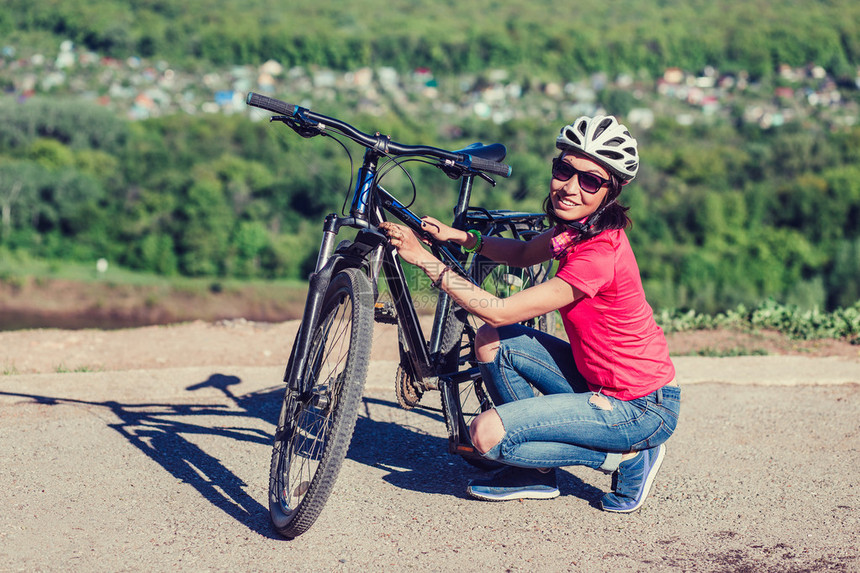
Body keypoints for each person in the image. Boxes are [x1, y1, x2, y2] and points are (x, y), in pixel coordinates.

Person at [379, 115, 680, 513]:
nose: (570, 187)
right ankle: (533, 473)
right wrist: (462, 238)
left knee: (484, 436)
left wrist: (424, 260)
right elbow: (522, 254)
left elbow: (501, 309)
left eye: (590, 180)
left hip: (640, 408)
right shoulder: (577, 229)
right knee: (490, 340)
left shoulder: (598, 255)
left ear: (612, 190)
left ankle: (625, 458)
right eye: (564, 170)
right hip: (598, 380)